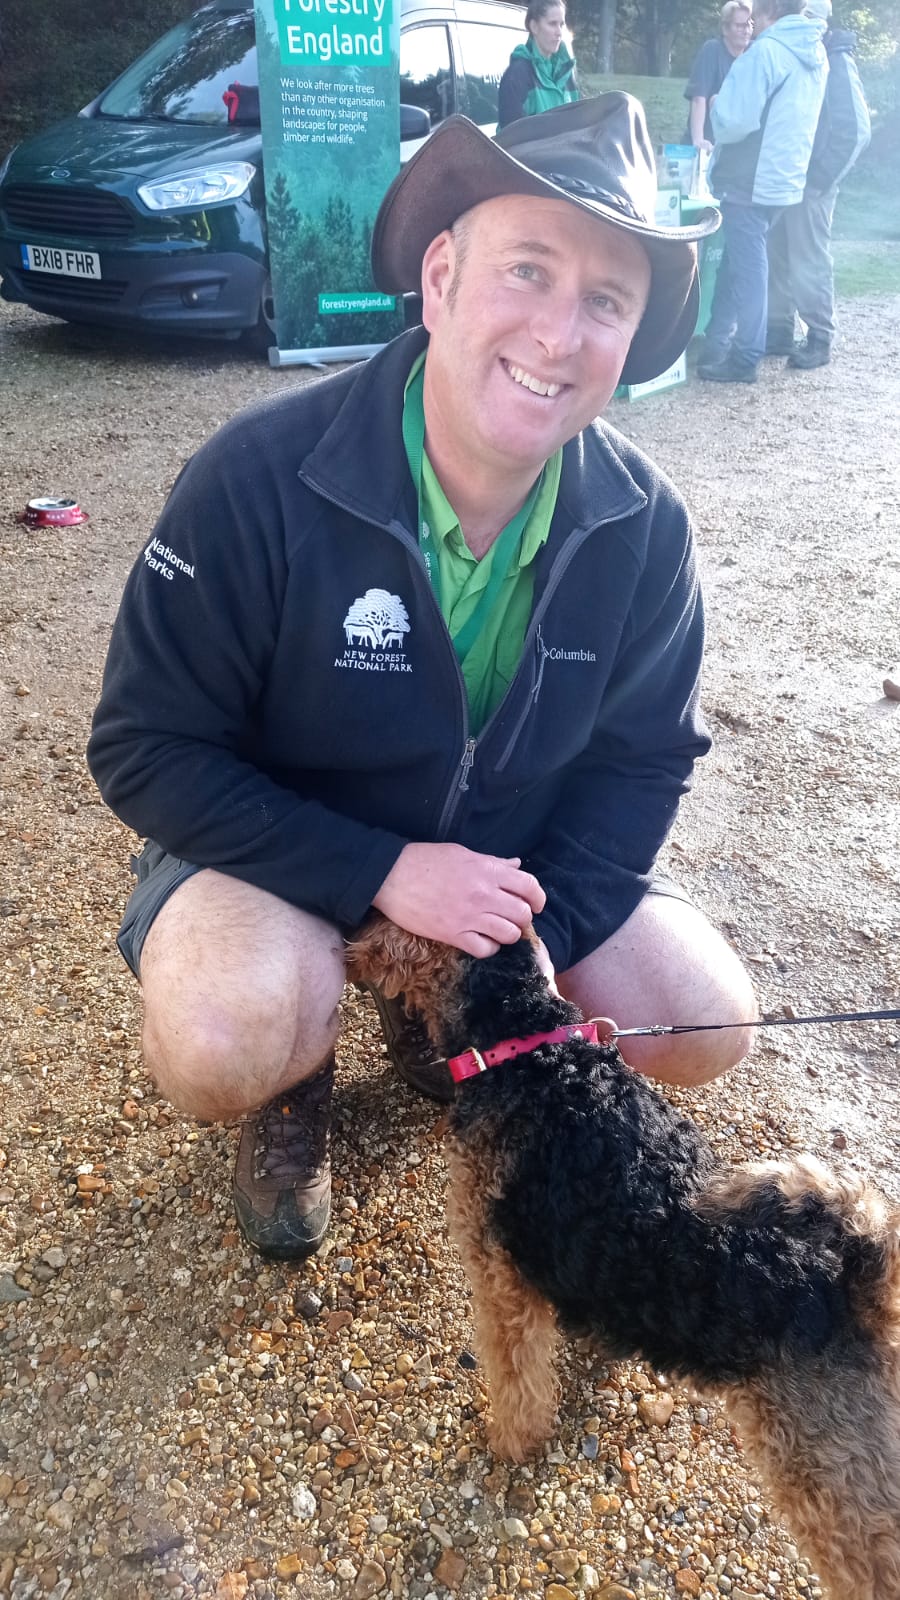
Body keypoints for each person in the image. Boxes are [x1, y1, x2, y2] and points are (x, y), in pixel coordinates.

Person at [88, 95, 756, 1264]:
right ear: (440, 277)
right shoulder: (254, 478)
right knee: (220, 1032)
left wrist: (543, 934)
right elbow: (144, 748)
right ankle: (299, 1073)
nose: (558, 334)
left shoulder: (649, 527)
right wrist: (382, 868)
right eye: (529, 271)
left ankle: (441, 1013)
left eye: (607, 300)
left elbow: (645, 758)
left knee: (704, 1020)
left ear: (636, 338)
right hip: (281, 862)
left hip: (499, 879)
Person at [697, 0, 828, 384]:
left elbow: (735, 122)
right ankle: (718, 342)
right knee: (739, 262)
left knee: (750, 268)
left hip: (748, 179)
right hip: (783, 179)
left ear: (769, 8)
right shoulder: (816, 52)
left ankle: (744, 356)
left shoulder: (766, 53)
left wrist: (719, 105)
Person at [766, 0, 871, 368]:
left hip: (811, 182)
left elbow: (856, 130)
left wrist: (821, 179)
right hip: (787, 175)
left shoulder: (837, 61)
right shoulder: (796, 57)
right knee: (778, 253)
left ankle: (819, 337)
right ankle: (778, 328)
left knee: (809, 258)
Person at [683, 1, 754, 151]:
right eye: (740, 25)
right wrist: (698, 140)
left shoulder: (754, 54)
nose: (746, 30)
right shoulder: (712, 50)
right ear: (725, 28)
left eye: (749, 24)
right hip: (707, 144)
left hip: (734, 147)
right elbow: (698, 98)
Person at [497, 0, 579, 130]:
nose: (559, 32)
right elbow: (509, 141)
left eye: (561, 24)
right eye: (552, 24)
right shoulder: (517, 75)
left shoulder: (566, 71)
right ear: (534, 27)